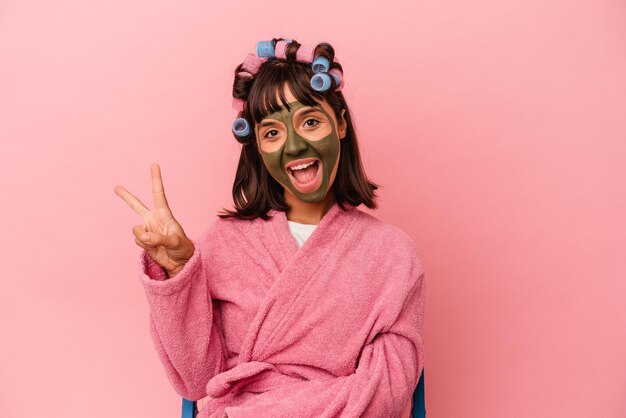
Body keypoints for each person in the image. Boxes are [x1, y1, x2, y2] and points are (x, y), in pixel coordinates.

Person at [114, 38, 426, 418]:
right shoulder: (222, 244)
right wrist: (179, 271)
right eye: (272, 133)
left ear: (340, 124)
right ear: (258, 148)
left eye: (310, 122)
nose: (293, 146)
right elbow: (196, 382)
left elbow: (385, 396)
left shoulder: (392, 255)